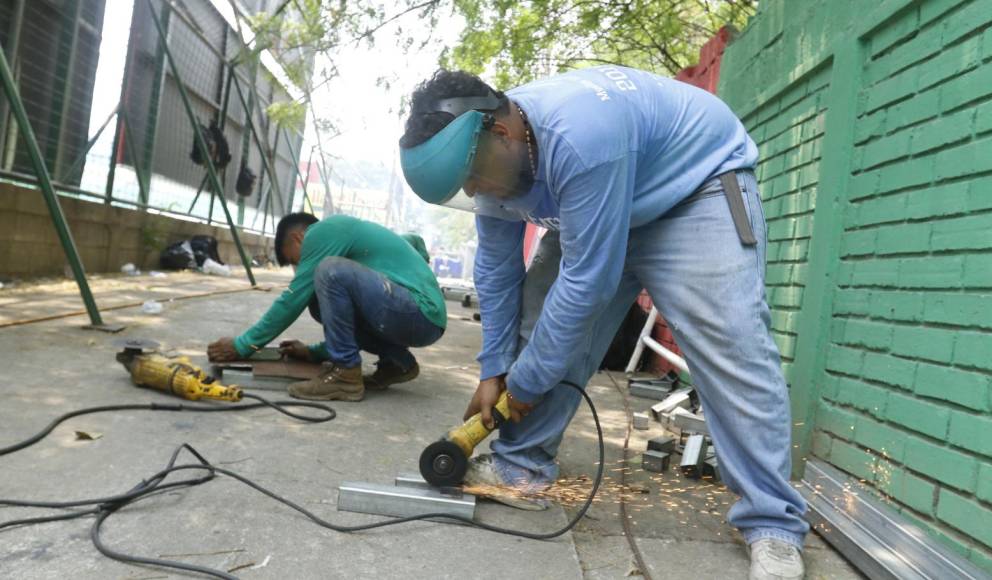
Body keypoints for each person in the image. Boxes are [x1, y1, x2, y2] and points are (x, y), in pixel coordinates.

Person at [398, 67, 809, 580]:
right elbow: (498, 272)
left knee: (734, 347)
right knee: (540, 326)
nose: (478, 191)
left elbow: (587, 283)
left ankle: (773, 523)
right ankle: (519, 468)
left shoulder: (580, 133)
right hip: (598, 204)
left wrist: (525, 382)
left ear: (502, 133)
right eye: (467, 187)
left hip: (694, 190)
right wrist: (495, 366)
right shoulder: (488, 155)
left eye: (476, 178)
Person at [207, 213, 446, 402]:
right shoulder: (353, 239)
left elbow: (291, 300)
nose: (297, 269)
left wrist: (243, 345)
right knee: (319, 300)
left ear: (299, 238)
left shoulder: (323, 231)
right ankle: (397, 362)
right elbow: (414, 239)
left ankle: (345, 375)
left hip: (417, 312)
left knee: (328, 270)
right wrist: (314, 352)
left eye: (293, 261)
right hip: (422, 319)